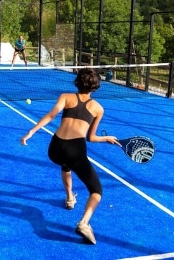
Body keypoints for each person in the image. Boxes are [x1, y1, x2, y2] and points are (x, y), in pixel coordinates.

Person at [21, 67, 121, 244]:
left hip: (55, 149)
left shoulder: (65, 97)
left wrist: (31, 132)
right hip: (75, 150)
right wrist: (107, 138)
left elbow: (51, 115)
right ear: (96, 86)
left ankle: (69, 198)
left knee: (66, 164)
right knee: (96, 191)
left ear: (77, 82)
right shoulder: (98, 108)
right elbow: (90, 138)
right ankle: (84, 223)